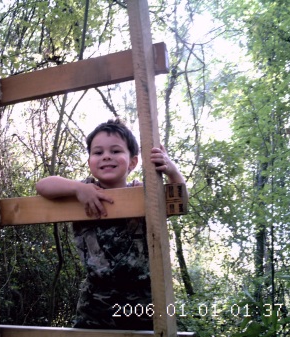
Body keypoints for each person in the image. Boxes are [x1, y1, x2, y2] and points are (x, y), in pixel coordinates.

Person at [36, 119, 185, 330]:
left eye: (115, 151)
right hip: (96, 301)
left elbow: (179, 202)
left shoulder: (144, 193)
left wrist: (172, 171)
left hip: (143, 299)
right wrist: (78, 189)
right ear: (90, 162)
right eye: (98, 152)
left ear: (132, 162)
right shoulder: (82, 190)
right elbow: (42, 185)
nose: (106, 156)